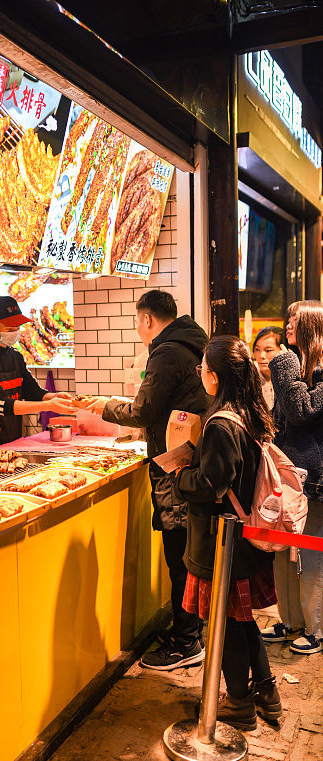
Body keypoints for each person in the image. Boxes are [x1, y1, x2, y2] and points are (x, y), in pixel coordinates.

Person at [86, 290, 210, 669]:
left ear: (146, 319)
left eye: (137, 322)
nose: (138, 329)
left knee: (179, 554)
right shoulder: (194, 342)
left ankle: (186, 644)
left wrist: (106, 406)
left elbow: (143, 411)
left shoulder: (166, 351)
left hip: (175, 467)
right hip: (192, 460)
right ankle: (190, 630)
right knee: (187, 552)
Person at [175, 335, 281, 730]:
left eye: (202, 368)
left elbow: (211, 485)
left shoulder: (221, 423)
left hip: (223, 542)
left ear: (215, 377)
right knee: (242, 620)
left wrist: (180, 475)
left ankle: (238, 702)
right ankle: (267, 692)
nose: (200, 373)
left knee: (228, 626)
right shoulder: (249, 411)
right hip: (245, 538)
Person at [260, 300, 323, 654]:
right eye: (288, 318)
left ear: (313, 325)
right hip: (286, 478)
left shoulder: (310, 369)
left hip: (314, 480)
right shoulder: (298, 367)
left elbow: (301, 411)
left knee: (312, 553)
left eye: (296, 319)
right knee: (283, 551)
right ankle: (291, 622)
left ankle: (317, 629)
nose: (288, 324)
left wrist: (282, 364)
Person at [0, 296, 73, 450]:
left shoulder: (15, 356)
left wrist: (55, 397)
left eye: (17, 328)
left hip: (13, 441)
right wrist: (48, 405)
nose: (14, 332)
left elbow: (33, 392)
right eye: (9, 329)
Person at [252, 326, 283, 410]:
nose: (261, 356)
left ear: (282, 350)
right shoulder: (249, 376)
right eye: (257, 349)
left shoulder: (288, 377)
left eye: (268, 350)